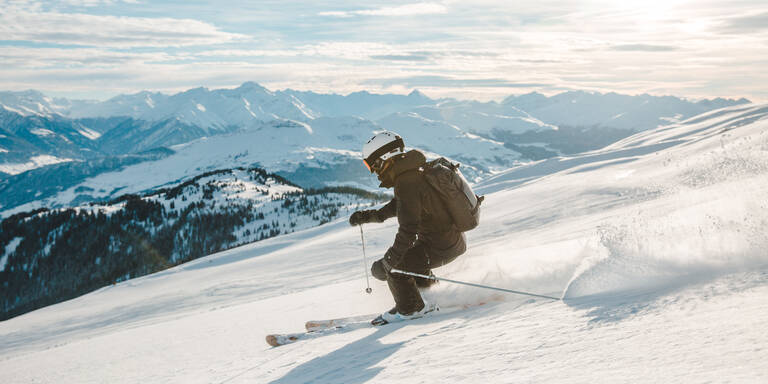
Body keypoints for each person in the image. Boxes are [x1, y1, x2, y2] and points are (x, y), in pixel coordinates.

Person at [349, 131, 467, 325]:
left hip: (440, 245)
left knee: (397, 266)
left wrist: (389, 263)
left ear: (384, 158)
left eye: (373, 165)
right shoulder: (414, 173)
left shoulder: (407, 182)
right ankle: (430, 298)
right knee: (410, 260)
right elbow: (403, 205)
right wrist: (371, 216)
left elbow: (408, 230)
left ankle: (411, 308)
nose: (374, 171)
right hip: (448, 240)